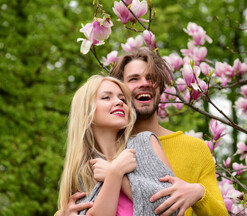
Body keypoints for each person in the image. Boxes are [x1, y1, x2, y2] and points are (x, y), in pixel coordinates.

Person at [58, 49, 228, 216]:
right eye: (133, 79)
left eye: (151, 78)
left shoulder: (193, 148)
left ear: (160, 88)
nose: (144, 83)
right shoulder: (93, 156)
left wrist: (199, 193)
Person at [56, 75, 178, 216]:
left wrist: (112, 173)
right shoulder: (82, 173)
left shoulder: (145, 143)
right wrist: (115, 174)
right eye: (106, 97)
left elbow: (172, 207)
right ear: (86, 112)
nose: (119, 102)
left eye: (122, 99)